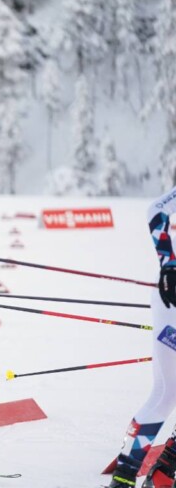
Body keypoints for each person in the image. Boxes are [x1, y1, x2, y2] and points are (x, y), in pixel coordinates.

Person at [106, 185, 176, 488]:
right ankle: (124, 478)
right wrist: (168, 263)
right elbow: (157, 211)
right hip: (172, 299)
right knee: (165, 394)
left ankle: (163, 472)